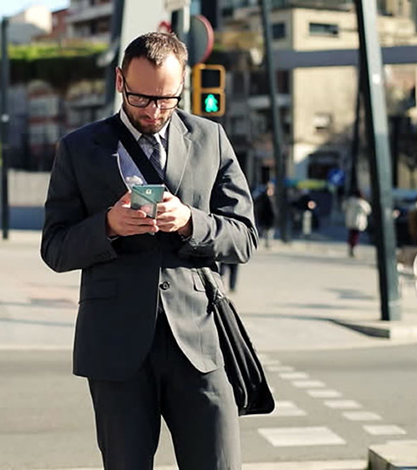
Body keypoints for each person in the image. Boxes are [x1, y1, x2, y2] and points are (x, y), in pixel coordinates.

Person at [40, 32, 257, 470]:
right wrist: (107, 226)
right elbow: (55, 248)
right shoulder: (79, 148)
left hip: (199, 341)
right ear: (120, 81)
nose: (154, 111)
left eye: (166, 99)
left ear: (182, 88)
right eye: (141, 98)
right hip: (115, 346)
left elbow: (245, 237)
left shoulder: (211, 139)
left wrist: (191, 221)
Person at [342, 189, 372, 258]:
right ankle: (353, 248)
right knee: (355, 235)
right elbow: (368, 210)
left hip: (350, 219)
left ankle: (351, 247)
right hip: (359, 221)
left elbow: (344, 207)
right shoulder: (362, 203)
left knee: (351, 234)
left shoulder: (349, 201)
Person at [254, 182, 276, 248]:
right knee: (267, 232)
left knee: (269, 231)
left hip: (270, 218)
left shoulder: (272, 197)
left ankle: (268, 244)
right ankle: (267, 244)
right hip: (266, 217)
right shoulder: (264, 198)